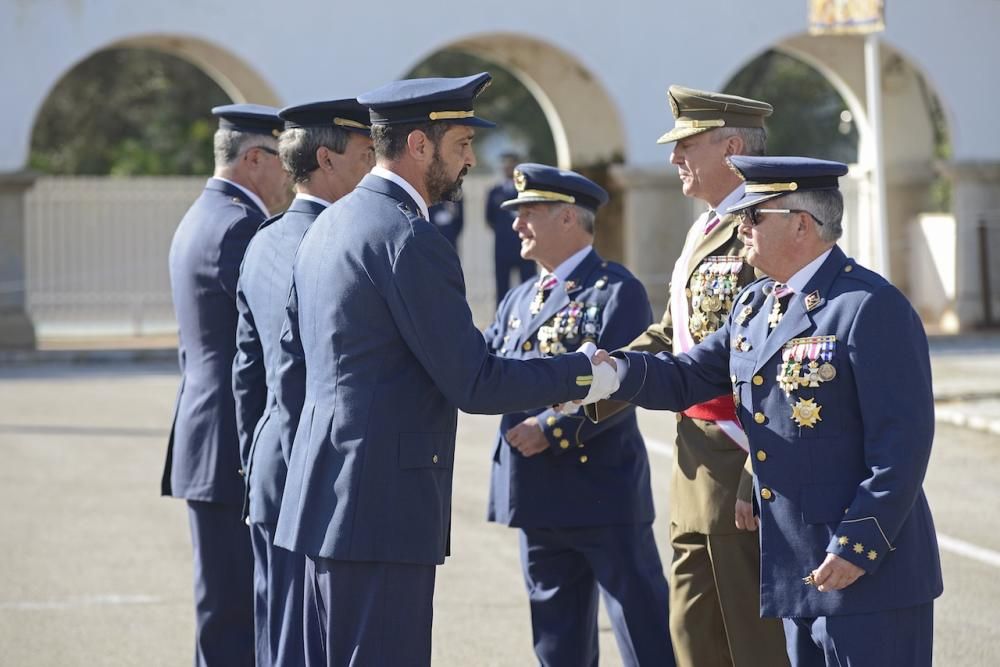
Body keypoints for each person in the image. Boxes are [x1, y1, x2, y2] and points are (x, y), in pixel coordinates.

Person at [271, 73, 618, 666]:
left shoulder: (329, 223)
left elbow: (301, 363)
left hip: (324, 495)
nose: (470, 161)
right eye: (461, 145)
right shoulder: (408, 238)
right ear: (419, 146)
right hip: (380, 505)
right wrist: (583, 374)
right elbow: (474, 382)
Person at [595, 156, 943, 667]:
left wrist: (858, 546)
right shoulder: (756, 305)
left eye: (756, 216)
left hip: (866, 574)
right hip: (797, 572)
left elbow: (902, 446)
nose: (742, 227)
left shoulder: (868, 306)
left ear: (802, 224)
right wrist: (608, 374)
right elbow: (687, 374)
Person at [588, 85, 788, 667]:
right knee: (695, 637)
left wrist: (763, 461)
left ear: (731, 148)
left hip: (740, 454)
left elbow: (776, 357)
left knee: (753, 643)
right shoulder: (704, 229)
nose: (675, 159)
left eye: (687, 145)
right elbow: (678, 335)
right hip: (693, 461)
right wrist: (602, 376)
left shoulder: (762, 228)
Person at [484, 163, 675, 666]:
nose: (517, 226)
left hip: (601, 493)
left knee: (641, 628)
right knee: (556, 639)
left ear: (569, 218)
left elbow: (627, 382)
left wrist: (550, 428)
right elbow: (488, 369)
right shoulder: (518, 299)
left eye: (529, 214)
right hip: (537, 493)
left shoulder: (616, 291)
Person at [232, 97, 373, 667]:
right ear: (326, 160)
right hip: (315, 478)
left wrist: (257, 459)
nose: (374, 168)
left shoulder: (263, 238)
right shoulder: (333, 244)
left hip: (270, 467)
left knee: (277, 639)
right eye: (366, 154)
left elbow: (247, 374)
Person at [163, 103, 289, 666]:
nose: (290, 174)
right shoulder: (240, 226)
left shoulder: (204, 214)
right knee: (239, 612)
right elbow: (270, 339)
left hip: (206, 436)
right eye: (283, 160)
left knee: (224, 608)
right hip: (230, 441)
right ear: (254, 158)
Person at [486, 151, 537, 304]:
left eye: (511, 164)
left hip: (524, 245)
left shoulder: (526, 191)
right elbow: (489, 219)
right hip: (502, 247)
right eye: (505, 164)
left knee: (529, 287)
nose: (508, 167)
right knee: (502, 289)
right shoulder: (495, 192)